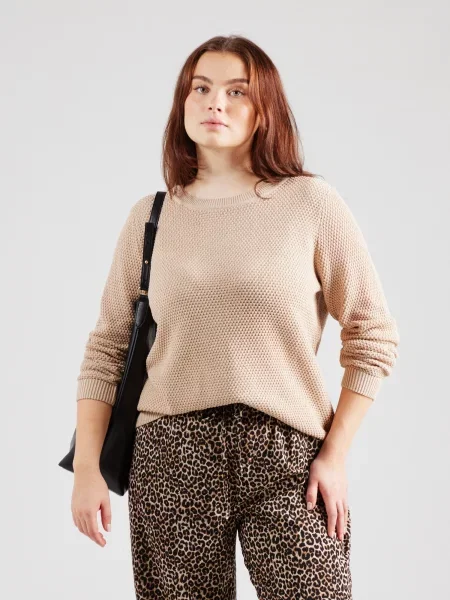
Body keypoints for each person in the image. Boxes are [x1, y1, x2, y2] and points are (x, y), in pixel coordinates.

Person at [71, 35, 399, 600]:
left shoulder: (310, 204)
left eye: (236, 92)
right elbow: (107, 349)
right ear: (183, 102)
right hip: (173, 452)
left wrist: (335, 455)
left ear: (264, 109)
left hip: (288, 453)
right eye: (200, 88)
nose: (214, 103)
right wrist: (86, 471)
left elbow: (373, 334)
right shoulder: (151, 218)